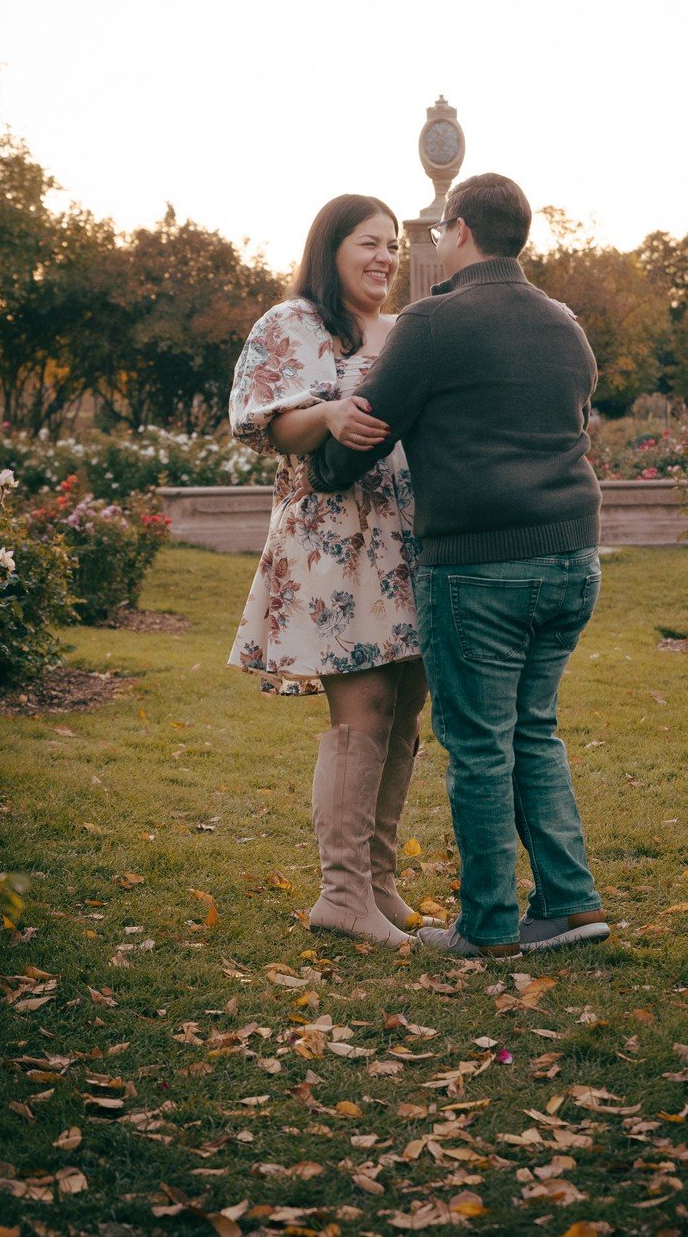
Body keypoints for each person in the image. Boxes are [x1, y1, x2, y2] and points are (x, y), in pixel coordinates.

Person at [308, 173, 609, 959]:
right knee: (534, 730)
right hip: (574, 557)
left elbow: (371, 419)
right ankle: (572, 905)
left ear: (462, 229)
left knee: (479, 744)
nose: (434, 244)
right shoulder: (566, 325)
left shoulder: (434, 321)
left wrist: (325, 466)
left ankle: (487, 927)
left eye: (441, 233)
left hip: (480, 566)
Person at [228, 194, 429, 950]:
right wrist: (330, 416)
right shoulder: (292, 323)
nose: (384, 258)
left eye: (392, 248)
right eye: (369, 244)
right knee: (364, 713)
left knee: (405, 709)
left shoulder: (403, 330)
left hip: (406, 544)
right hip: (336, 544)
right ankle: (341, 896)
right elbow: (267, 422)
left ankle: (378, 885)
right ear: (331, 248)